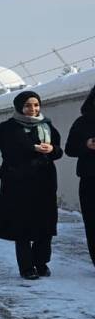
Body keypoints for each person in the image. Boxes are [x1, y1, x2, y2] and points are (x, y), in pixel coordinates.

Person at [0, 90, 63, 280]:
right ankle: (26, 267)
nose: (32, 109)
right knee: (22, 225)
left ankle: (41, 263)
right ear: (19, 107)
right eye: (27, 105)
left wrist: (52, 149)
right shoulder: (8, 127)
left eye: (35, 105)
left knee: (45, 225)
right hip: (17, 182)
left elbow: (59, 151)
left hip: (44, 182)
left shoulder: (46, 125)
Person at [64, 83, 95, 269]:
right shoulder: (82, 122)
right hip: (90, 179)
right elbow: (69, 149)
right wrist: (87, 145)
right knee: (92, 221)